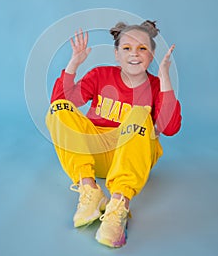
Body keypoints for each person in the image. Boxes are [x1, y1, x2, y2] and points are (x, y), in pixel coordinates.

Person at [45, 21, 182, 248]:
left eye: (142, 48)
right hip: (95, 154)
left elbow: (170, 128)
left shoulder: (157, 86)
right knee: (58, 109)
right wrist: (74, 63)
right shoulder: (101, 75)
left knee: (140, 114)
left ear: (152, 55)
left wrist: (165, 76)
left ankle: (118, 205)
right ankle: (89, 189)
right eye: (126, 48)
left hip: (130, 158)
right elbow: (61, 104)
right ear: (116, 54)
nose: (134, 54)